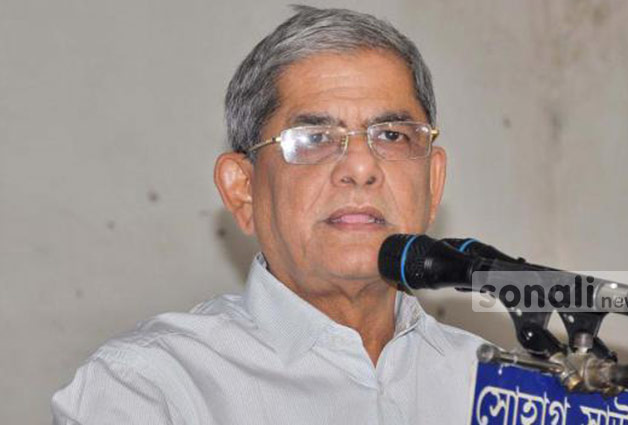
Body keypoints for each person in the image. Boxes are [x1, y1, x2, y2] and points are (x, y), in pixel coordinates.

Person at [52, 5, 486, 424]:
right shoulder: (150, 388)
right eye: (315, 137)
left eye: (391, 135)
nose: (360, 168)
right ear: (243, 189)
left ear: (433, 183)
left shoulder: (496, 388)